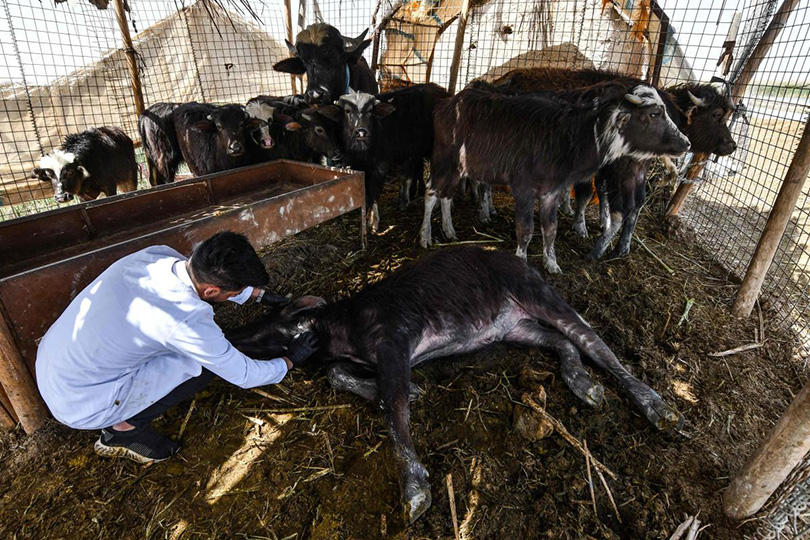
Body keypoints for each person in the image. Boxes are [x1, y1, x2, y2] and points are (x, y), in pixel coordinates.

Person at [35, 231, 317, 464]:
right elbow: (244, 375)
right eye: (233, 291)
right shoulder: (185, 318)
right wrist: (290, 360)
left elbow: (205, 282)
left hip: (54, 361)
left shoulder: (157, 255)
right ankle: (123, 429)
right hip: (81, 401)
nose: (235, 295)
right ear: (211, 292)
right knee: (200, 365)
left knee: (183, 349)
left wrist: (257, 296)